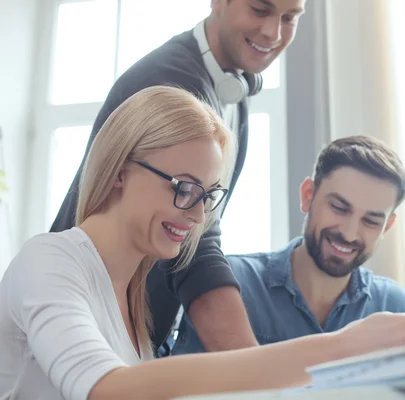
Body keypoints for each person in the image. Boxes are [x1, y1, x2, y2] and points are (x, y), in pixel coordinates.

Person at [0, 86, 405, 400]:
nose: (196, 214)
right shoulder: (49, 261)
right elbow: (107, 390)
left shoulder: (132, 301)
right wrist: (345, 348)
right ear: (120, 169)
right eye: (183, 187)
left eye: (209, 196)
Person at [50, 0, 307, 354]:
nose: (273, 32)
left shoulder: (233, 91)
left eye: (290, 18)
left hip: (133, 332)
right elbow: (197, 245)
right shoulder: (173, 83)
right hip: (86, 316)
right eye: (260, 9)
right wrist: (259, 375)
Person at [173, 135, 405, 353]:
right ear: (307, 196)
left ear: (387, 226)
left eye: (371, 221)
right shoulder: (230, 284)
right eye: (339, 208)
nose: (350, 233)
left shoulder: (397, 307)